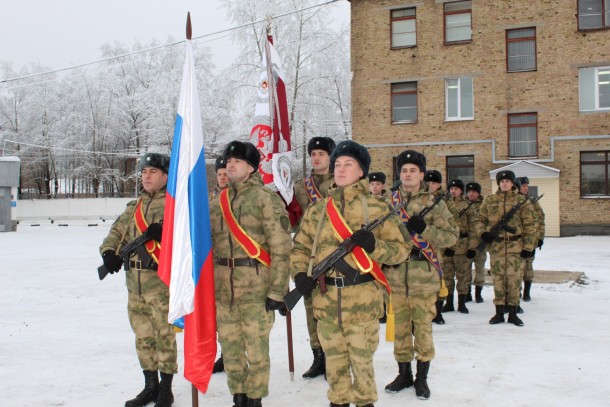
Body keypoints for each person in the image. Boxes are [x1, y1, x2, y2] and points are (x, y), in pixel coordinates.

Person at [290, 140, 412, 407]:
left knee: (362, 367)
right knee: (334, 368)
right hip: (326, 304)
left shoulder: (378, 208)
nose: (341, 169)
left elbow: (403, 250)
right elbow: (299, 248)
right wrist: (300, 274)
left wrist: (375, 246)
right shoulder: (318, 210)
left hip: (362, 305)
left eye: (348, 164)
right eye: (337, 164)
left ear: (361, 172)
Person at [209, 141, 292, 407]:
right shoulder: (216, 202)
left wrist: (278, 291)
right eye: (228, 160)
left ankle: (255, 399)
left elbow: (281, 247)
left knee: (256, 350)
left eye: (237, 161)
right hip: (223, 288)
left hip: (255, 287)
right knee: (231, 348)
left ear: (251, 167)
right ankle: (239, 396)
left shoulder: (265, 199)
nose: (230, 165)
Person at [99, 152, 177, 407]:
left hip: (160, 283)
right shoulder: (133, 208)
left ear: (165, 177)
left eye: (152, 172)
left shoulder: (175, 206)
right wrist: (109, 253)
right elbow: (116, 232)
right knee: (143, 336)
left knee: (164, 335)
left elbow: (187, 240)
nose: (146, 176)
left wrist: (166, 234)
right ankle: (150, 386)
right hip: (134, 284)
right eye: (144, 172)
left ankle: (166, 389)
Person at [384, 150, 458, 400]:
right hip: (395, 275)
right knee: (401, 329)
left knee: (423, 329)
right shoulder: (388, 201)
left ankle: (422, 378)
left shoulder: (434, 203)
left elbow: (451, 236)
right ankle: (403, 373)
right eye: (403, 170)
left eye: (412, 170)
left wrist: (425, 229)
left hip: (423, 277)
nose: (407, 174)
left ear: (422, 175)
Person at [292, 136, 336, 379]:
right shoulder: (300, 186)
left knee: (331, 308)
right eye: (313, 154)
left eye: (321, 153)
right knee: (311, 311)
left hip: (335, 256)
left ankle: (333, 357)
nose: (316, 158)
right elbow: (293, 218)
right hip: (308, 256)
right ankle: (317, 357)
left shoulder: (340, 183)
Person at [475, 170, 537, 327]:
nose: (504, 183)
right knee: (498, 280)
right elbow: (479, 220)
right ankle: (498, 312)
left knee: (514, 280)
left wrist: (528, 247)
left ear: (512, 183)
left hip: (515, 247)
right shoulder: (490, 200)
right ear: (498, 183)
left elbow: (530, 225)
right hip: (497, 247)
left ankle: (513, 313)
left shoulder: (521, 201)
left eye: (508, 181)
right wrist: (483, 234)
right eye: (502, 181)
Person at [441, 179, 475, 315]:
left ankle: (462, 303)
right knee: (447, 276)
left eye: (456, 188)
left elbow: (473, 227)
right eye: (451, 188)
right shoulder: (443, 205)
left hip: (462, 246)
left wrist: (472, 247)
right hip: (447, 246)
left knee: (463, 276)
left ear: (461, 190)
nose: (453, 191)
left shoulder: (467, 205)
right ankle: (448, 302)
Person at [210, 156, 228, 374]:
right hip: (212, 263)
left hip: (230, 262)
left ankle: (230, 354)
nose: (223, 178)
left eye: (226, 174)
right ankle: (222, 353)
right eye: (220, 175)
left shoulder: (235, 198)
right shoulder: (210, 197)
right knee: (216, 314)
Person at [424, 169, 449, 324]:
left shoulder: (444, 202)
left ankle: (438, 312)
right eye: (428, 183)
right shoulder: (420, 200)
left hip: (436, 248)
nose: (430, 186)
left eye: (433, 183)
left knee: (438, 282)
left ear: (439, 185)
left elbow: (449, 228)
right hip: (419, 247)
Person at [518, 177, 545, 302]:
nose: (526, 188)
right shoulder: (513, 201)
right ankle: (515, 293)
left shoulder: (533, 202)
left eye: (527, 186)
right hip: (516, 241)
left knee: (528, 267)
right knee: (516, 268)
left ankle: (526, 292)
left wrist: (540, 238)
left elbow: (540, 220)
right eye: (523, 186)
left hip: (531, 240)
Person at [465, 182, 486, 303]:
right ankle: (467, 293)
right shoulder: (463, 205)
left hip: (480, 244)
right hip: (466, 244)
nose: (471, 193)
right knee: (466, 270)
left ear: (478, 193)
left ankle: (478, 293)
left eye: (473, 191)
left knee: (479, 269)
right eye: (469, 191)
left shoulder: (484, 205)